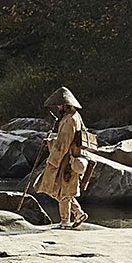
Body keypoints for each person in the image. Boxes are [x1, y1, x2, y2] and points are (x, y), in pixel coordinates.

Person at [35, 87, 91, 227]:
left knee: (62, 191)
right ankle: (78, 213)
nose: (58, 107)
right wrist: (50, 142)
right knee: (62, 191)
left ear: (66, 105)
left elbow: (63, 144)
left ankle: (65, 221)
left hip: (68, 160)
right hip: (70, 158)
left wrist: (53, 161)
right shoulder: (74, 117)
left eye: (59, 105)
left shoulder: (69, 120)